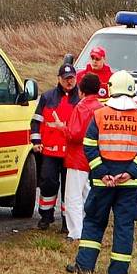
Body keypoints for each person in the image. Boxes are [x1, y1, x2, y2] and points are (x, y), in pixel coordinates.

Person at [67, 70, 137, 274]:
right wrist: (130, 172)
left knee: (95, 222)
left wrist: (102, 173)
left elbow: (89, 146)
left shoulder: (100, 115)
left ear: (112, 89)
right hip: (129, 184)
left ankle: (84, 266)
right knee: (124, 226)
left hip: (102, 182)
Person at [31, 63, 80, 231]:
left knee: (70, 189)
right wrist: (36, 142)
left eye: (72, 78)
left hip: (71, 153)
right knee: (48, 183)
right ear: (59, 79)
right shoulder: (47, 97)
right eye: (66, 79)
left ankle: (68, 222)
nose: (69, 82)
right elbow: (36, 121)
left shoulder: (80, 99)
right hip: (50, 152)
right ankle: (46, 215)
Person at [63, 73, 103, 241]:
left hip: (78, 156)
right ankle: (91, 226)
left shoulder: (81, 107)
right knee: (88, 193)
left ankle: (76, 232)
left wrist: (62, 128)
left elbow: (75, 134)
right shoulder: (100, 107)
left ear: (82, 90)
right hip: (94, 156)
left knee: (73, 196)